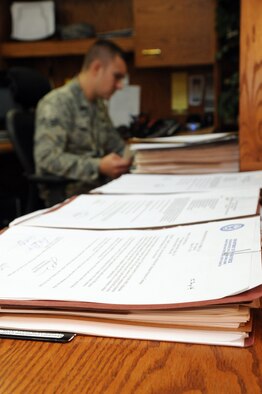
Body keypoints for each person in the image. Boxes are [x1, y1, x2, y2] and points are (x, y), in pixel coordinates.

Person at [34, 39, 132, 206]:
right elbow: (47, 158)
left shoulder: (97, 104)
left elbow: (117, 146)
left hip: (101, 192)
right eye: (116, 77)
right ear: (96, 68)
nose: (120, 85)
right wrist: (98, 166)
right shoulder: (57, 103)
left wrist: (144, 157)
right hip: (69, 199)